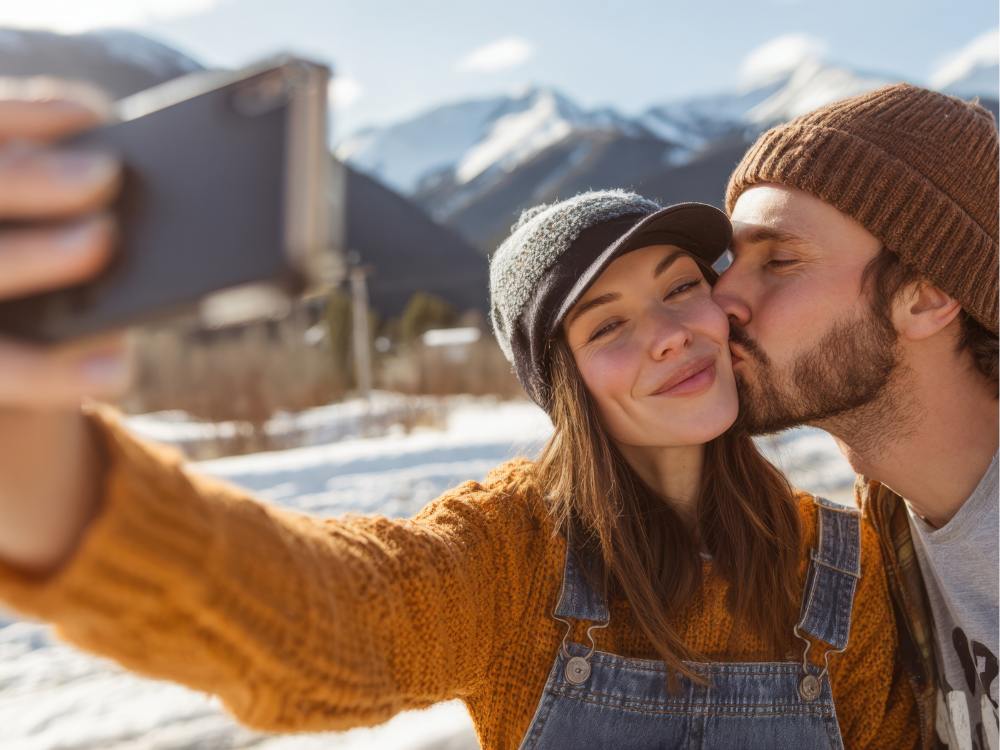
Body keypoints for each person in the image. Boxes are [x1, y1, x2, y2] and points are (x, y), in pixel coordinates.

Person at [0, 91, 916, 749]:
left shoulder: (840, 568)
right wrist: (49, 474)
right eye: (608, 326)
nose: (672, 336)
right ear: (564, 386)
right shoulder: (514, 554)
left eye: (681, 289)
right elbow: (329, 618)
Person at [712, 83, 999, 750]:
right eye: (730, 262)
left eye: (778, 261)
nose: (721, 297)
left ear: (927, 296)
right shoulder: (885, 535)